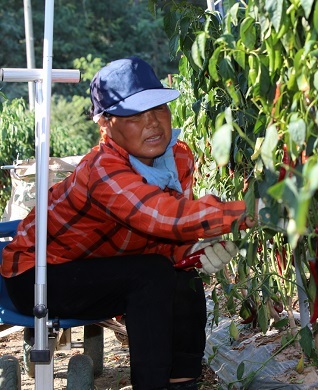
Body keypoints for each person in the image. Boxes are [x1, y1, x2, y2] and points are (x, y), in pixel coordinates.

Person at [1, 56, 255, 390]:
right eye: (134, 115)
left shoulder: (177, 158)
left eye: (158, 109)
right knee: (151, 274)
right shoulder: (102, 169)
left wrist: (194, 250)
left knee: (180, 277)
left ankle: (182, 382)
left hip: (108, 270)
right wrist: (252, 212)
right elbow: (162, 216)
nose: (153, 123)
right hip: (40, 275)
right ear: (105, 124)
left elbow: (165, 239)